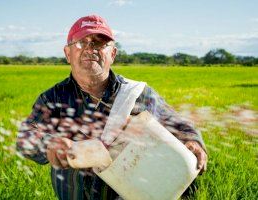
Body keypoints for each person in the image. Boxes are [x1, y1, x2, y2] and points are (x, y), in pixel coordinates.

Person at [16, 14, 207, 200]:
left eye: (99, 43)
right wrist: (49, 144)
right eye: (82, 42)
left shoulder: (137, 94)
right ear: (68, 53)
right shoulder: (53, 98)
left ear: (113, 54)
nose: (90, 48)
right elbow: (26, 138)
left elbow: (178, 124)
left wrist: (193, 141)